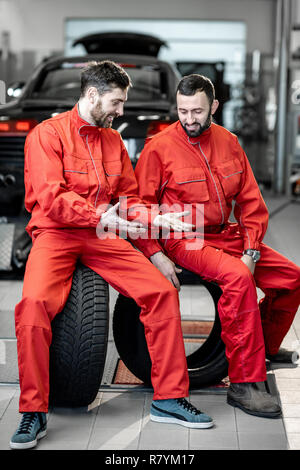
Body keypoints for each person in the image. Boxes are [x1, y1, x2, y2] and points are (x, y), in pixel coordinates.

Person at [10, 63, 214, 450]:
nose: (121, 111)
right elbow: (52, 198)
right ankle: (32, 410)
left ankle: (169, 398)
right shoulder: (46, 135)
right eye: (117, 103)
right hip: (56, 233)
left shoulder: (113, 143)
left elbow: (129, 200)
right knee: (34, 305)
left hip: (103, 233)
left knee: (161, 292)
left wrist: (157, 220)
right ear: (92, 96)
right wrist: (105, 217)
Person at [134, 73, 300, 419]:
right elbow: (141, 209)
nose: (189, 119)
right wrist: (155, 254)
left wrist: (251, 249)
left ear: (214, 106)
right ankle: (243, 385)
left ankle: (265, 346)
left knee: (292, 278)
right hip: (185, 238)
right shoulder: (159, 149)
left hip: (228, 232)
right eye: (182, 111)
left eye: (197, 111)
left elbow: (252, 202)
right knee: (238, 280)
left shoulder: (229, 142)